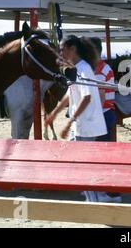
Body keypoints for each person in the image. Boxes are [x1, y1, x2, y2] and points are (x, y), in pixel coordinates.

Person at [44, 35, 108, 202]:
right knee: (80, 159)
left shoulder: (83, 68)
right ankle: (94, 194)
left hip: (86, 123)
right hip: (82, 123)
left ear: (73, 49)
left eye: (62, 49)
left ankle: (95, 196)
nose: (60, 53)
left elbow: (86, 98)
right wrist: (54, 114)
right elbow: (69, 94)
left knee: (83, 162)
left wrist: (69, 121)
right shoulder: (75, 68)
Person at [89, 37, 122, 203]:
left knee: (103, 155)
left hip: (102, 114)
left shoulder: (100, 69)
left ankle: (110, 191)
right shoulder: (101, 67)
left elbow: (100, 97)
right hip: (105, 113)